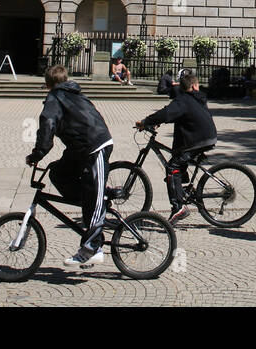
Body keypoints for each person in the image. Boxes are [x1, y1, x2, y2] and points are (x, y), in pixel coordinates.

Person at [26, 64, 115, 268]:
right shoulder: (73, 93)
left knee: (93, 196)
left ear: (48, 84)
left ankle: (92, 247)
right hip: (79, 147)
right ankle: (91, 203)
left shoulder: (55, 98)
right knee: (58, 173)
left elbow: (47, 125)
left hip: (95, 146)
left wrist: (37, 154)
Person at [136, 67, 217, 224]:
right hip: (205, 137)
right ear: (194, 86)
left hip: (197, 139)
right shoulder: (197, 98)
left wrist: (146, 122)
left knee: (172, 167)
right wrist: (157, 122)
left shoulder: (184, 100)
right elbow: (173, 115)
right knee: (178, 158)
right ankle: (182, 188)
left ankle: (178, 207)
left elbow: (167, 113)